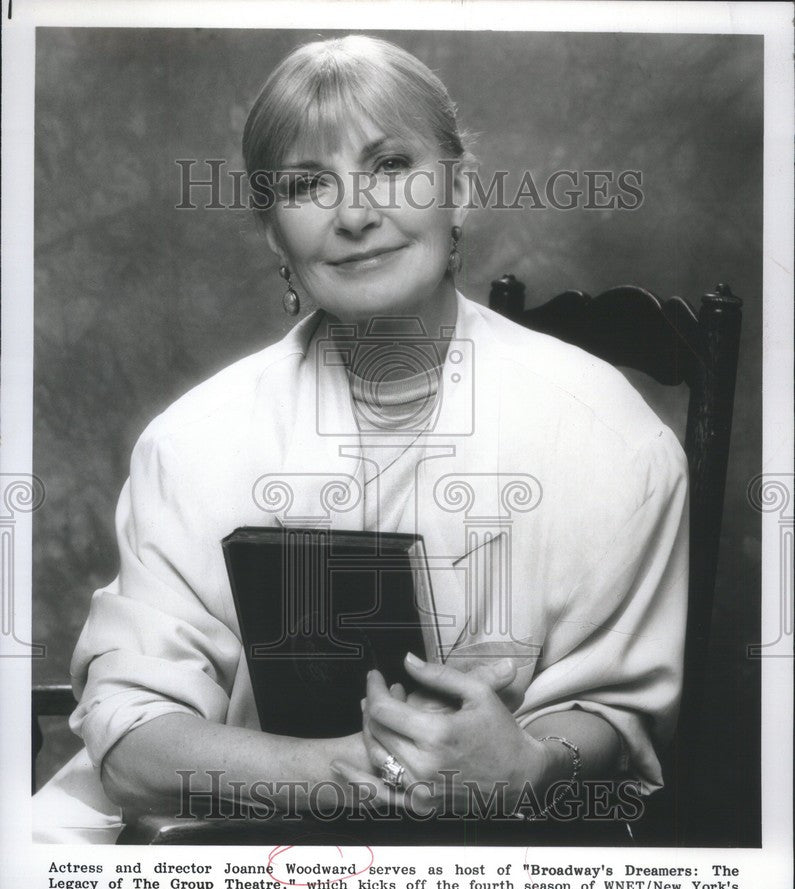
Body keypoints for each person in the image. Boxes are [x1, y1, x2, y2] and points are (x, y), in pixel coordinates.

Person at [33, 34, 688, 842]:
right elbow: (130, 744)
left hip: (499, 862)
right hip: (229, 854)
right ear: (273, 232)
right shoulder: (189, 444)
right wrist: (349, 776)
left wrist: (528, 763)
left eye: (389, 165)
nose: (355, 214)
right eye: (308, 184)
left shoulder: (610, 440)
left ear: (459, 190)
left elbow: (615, 710)